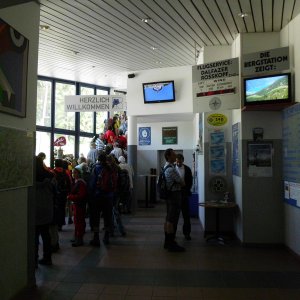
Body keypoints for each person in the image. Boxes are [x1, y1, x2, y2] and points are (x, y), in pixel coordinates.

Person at [89, 153, 116, 246]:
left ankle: (96, 238)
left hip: (98, 196)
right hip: (108, 197)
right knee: (107, 217)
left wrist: (91, 195)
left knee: (96, 218)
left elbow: (92, 183)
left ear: (98, 159)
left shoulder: (96, 168)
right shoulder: (111, 169)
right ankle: (106, 237)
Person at [163, 148, 185, 252]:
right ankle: (170, 243)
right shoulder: (171, 169)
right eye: (173, 154)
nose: (175, 155)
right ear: (168, 156)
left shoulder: (166, 166)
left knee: (169, 219)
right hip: (174, 197)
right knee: (171, 221)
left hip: (170, 197)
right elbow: (182, 182)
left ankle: (167, 242)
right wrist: (181, 182)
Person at [35, 156, 56, 266]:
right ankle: (47, 258)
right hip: (47, 209)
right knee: (46, 234)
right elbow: (54, 192)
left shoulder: (31, 177)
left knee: (34, 236)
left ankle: (34, 260)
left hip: (35, 209)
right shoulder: (50, 176)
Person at [67, 165, 87, 247]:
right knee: (77, 221)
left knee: (79, 222)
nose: (73, 174)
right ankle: (77, 237)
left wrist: (70, 197)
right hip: (77, 205)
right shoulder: (78, 182)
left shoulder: (80, 183)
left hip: (79, 205)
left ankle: (79, 239)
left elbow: (81, 195)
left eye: (75, 173)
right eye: (73, 173)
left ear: (79, 174)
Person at [175, 153, 193, 240]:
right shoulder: (172, 168)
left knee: (186, 215)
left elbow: (190, 181)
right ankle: (173, 233)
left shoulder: (187, 169)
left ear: (183, 160)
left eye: (180, 162)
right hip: (175, 194)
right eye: (177, 162)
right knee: (175, 215)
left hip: (184, 194)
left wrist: (186, 189)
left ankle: (187, 233)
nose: (178, 163)